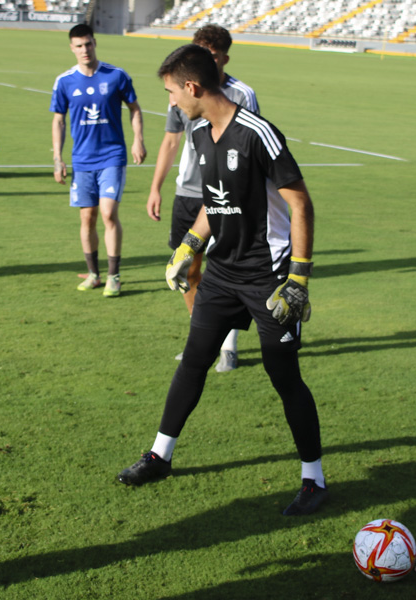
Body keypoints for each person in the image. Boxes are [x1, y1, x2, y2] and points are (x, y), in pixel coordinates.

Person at [117, 44, 327, 516]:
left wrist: (298, 278)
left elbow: (301, 204)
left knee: (283, 374)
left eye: (171, 92)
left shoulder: (258, 134)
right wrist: (190, 244)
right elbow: (216, 201)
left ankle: (314, 478)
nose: (170, 102)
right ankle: (160, 455)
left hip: (269, 276)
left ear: (192, 87)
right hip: (222, 271)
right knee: (194, 360)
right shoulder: (198, 134)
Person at [146, 24, 258, 373]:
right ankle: (202, 340)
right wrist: (155, 187)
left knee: (224, 270)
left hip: (225, 197)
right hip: (188, 192)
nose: (201, 60)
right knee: (189, 270)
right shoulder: (181, 88)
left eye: (210, 55)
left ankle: (229, 346)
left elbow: (251, 147)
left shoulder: (241, 94)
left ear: (224, 57)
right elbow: (170, 141)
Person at [50, 23, 145, 298]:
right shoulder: (64, 81)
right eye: (79, 46)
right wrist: (58, 158)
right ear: (72, 48)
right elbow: (58, 120)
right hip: (82, 160)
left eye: (88, 44)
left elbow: (135, 109)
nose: (84, 50)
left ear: (95, 43)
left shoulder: (116, 75)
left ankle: (113, 276)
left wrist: (138, 139)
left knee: (108, 213)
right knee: (87, 217)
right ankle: (93, 274)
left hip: (112, 156)